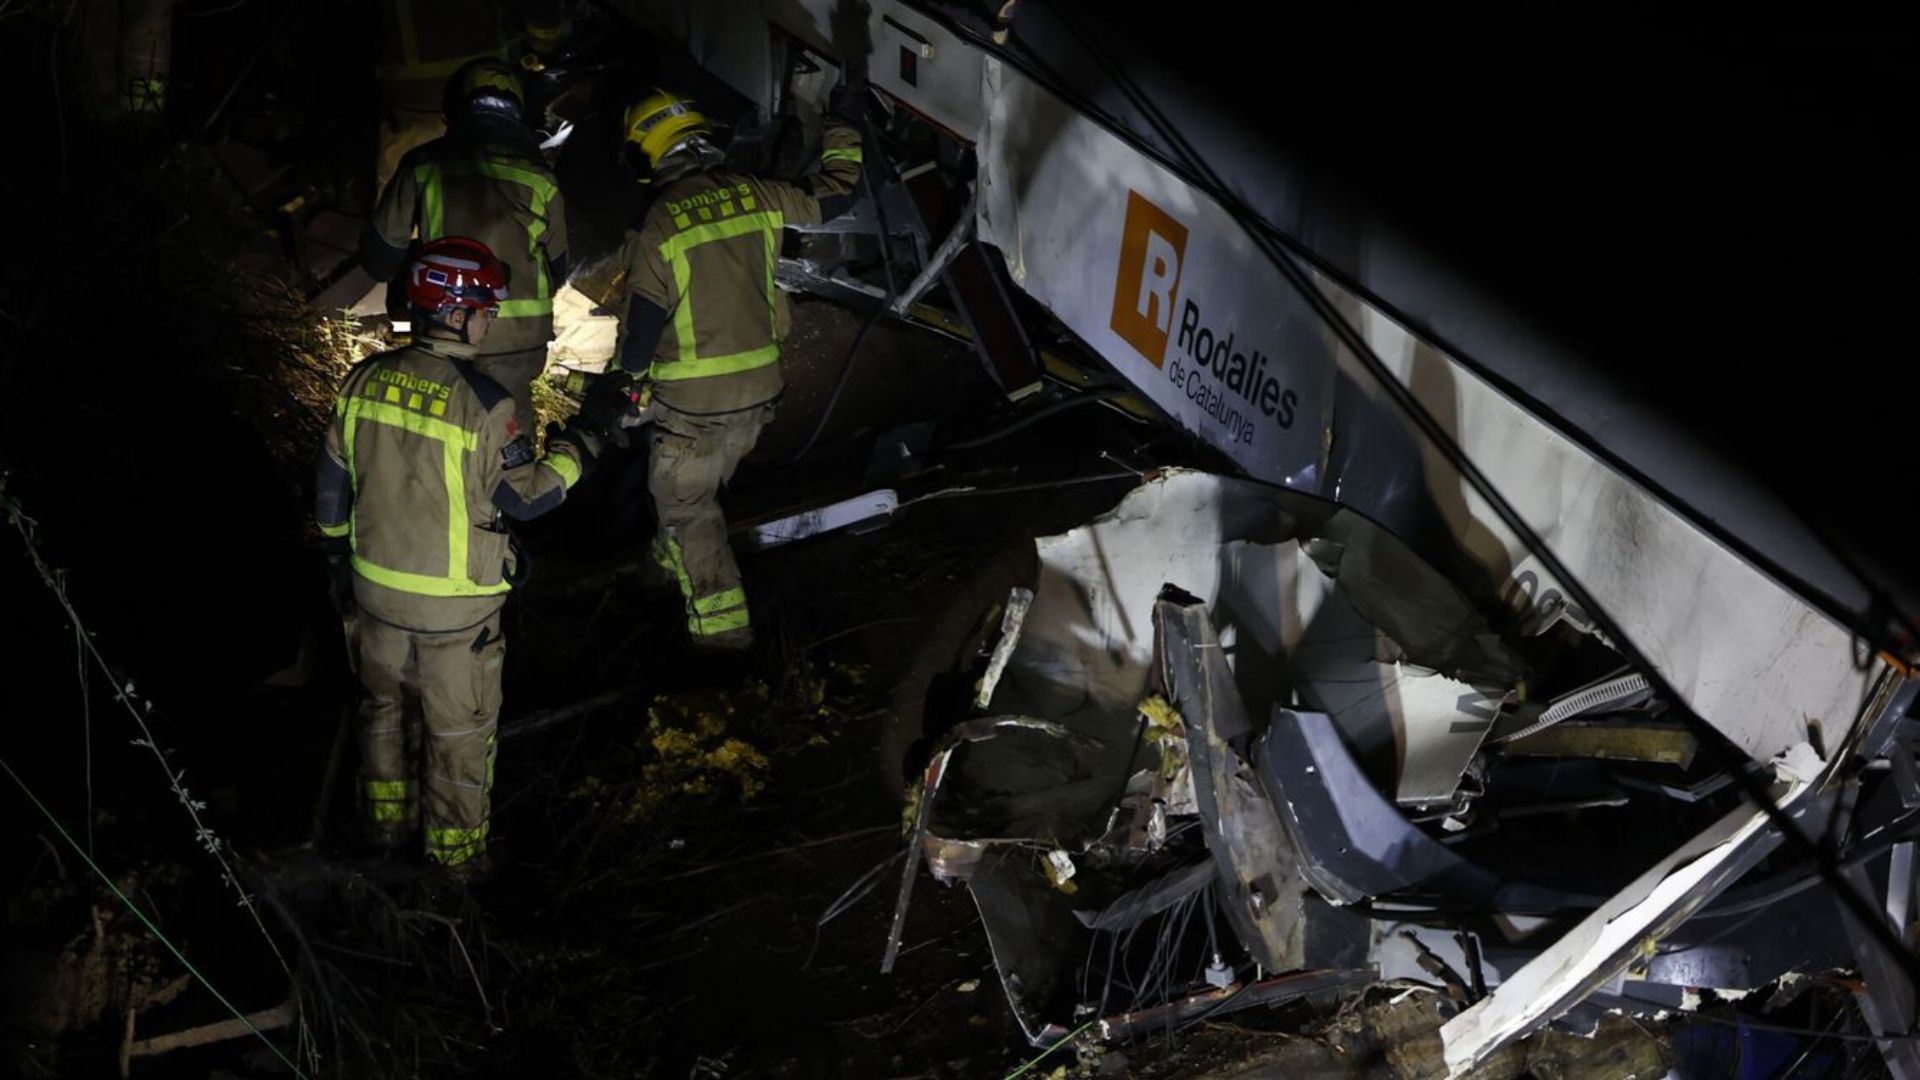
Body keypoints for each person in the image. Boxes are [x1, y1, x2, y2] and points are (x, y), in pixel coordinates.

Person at [314, 236, 607, 879]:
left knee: (383, 721)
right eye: (485, 307)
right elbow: (525, 500)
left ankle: (385, 837)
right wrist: (583, 446)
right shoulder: (485, 403)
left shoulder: (362, 381)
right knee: (458, 743)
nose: (491, 318)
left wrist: (339, 564)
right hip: (456, 617)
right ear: (454, 312)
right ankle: (456, 877)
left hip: (374, 601)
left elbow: (330, 491)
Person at [608, 86, 864, 651]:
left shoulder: (660, 223)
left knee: (688, 507)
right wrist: (845, 124)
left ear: (648, 155)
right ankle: (658, 570)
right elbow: (838, 194)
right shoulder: (753, 194)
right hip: (759, 395)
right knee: (692, 497)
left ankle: (724, 643)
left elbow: (640, 333)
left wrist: (619, 390)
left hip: (695, 407)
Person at [363, 56, 568, 436]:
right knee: (507, 446)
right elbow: (558, 271)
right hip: (521, 341)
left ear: (454, 109)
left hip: (445, 330)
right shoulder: (542, 177)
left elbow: (379, 261)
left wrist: (415, 260)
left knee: (441, 439)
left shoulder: (424, 164)